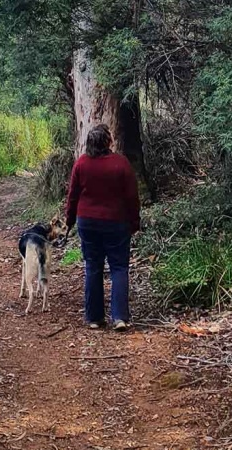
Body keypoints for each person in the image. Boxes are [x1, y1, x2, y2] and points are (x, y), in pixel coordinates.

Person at [65, 124, 141, 331]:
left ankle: (94, 318)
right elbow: (132, 197)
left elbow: (73, 196)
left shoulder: (81, 164)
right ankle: (119, 317)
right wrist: (135, 222)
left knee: (93, 266)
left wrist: (69, 220)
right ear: (108, 141)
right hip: (117, 223)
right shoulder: (121, 164)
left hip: (87, 223)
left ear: (89, 143)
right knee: (119, 268)